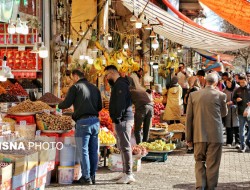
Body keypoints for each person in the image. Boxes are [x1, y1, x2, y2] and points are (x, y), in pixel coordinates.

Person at [58, 69, 102, 185]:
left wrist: (57, 104)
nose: (72, 80)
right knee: (93, 150)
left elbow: (66, 103)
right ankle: (92, 176)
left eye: (72, 78)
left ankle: (86, 178)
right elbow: (100, 106)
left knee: (83, 151)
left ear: (76, 76)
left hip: (83, 122)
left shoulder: (75, 87)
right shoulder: (95, 88)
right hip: (95, 122)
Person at [186, 73, 228, 190]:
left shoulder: (193, 95)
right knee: (213, 164)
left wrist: (188, 137)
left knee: (199, 161)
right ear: (216, 82)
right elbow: (224, 113)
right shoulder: (221, 95)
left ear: (205, 81)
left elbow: (189, 118)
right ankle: (211, 187)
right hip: (215, 135)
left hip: (198, 134)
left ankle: (200, 186)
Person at [104, 65, 135, 184]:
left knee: (125, 146)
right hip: (122, 119)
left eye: (107, 75)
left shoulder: (120, 85)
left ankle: (128, 174)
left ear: (112, 73)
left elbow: (120, 104)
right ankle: (125, 171)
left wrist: (116, 120)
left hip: (124, 120)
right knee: (122, 146)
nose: (107, 78)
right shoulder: (118, 85)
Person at [233, 75, 250, 152]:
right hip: (240, 112)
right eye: (240, 82)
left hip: (249, 112)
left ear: (246, 80)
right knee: (241, 130)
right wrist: (236, 100)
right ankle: (242, 146)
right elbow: (233, 99)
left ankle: (247, 142)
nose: (242, 84)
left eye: (243, 82)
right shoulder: (237, 90)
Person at [223, 78, 240, 148]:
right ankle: (229, 142)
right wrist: (226, 103)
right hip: (228, 110)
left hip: (236, 110)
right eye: (227, 83)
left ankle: (237, 142)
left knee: (237, 126)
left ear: (232, 82)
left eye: (229, 83)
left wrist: (234, 102)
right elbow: (222, 99)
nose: (228, 84)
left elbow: (241, 98)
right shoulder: (224, 90)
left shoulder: (237, 88)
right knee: (228, 126)